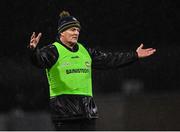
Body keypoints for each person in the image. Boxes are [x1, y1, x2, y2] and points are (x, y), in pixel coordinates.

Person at [28, 10, 156, 130]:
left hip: (87, 113)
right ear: (62, 32)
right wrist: (33, 50)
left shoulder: (85, 51)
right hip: (65, 114)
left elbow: (110, 60)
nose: (76, 33)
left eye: (78, 30)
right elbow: (38, 60)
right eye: (73, 29)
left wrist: (135, 55)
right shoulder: (53, 50)